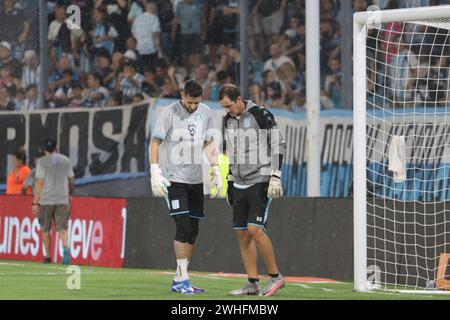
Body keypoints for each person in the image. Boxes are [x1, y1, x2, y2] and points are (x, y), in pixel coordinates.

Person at [148, 80, 222, 294]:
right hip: (174, 179)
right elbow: (155, 142)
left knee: (194, 230)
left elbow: (209, 141)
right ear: (182, 95)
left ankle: (181, 278)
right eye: (190, 102)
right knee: (183, 226)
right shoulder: (169, 112)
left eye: (196, 103)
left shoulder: (205, 112)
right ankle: (183, 278)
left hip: (196, 180)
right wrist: (155, 171)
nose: (193, 107)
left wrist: (215, 168)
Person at [218, 84, 286, 297]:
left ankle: (276, 278)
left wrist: (276, 175)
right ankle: (252, 283)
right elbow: (231, 152)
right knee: (241, 234)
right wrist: (229, 181)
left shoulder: (259, 114)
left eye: (229, 105)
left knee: (255, 229)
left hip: (261, 178)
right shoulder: (227, 120)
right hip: (238, 182)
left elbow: (278, 144)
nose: (227, 110)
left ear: (239, 99)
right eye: (224, 107)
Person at [32, 139, 75, 265]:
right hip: (62, 198)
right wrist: (70, 195)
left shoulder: (41, 162)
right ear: (56, 147)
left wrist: (35, 202)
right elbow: (71, 180)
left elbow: (40, 182)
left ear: (44, 149)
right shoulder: (66, 160)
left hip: (46, 200)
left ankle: (47, 256)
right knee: (62, 227)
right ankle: (66, 248)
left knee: (45, 229)